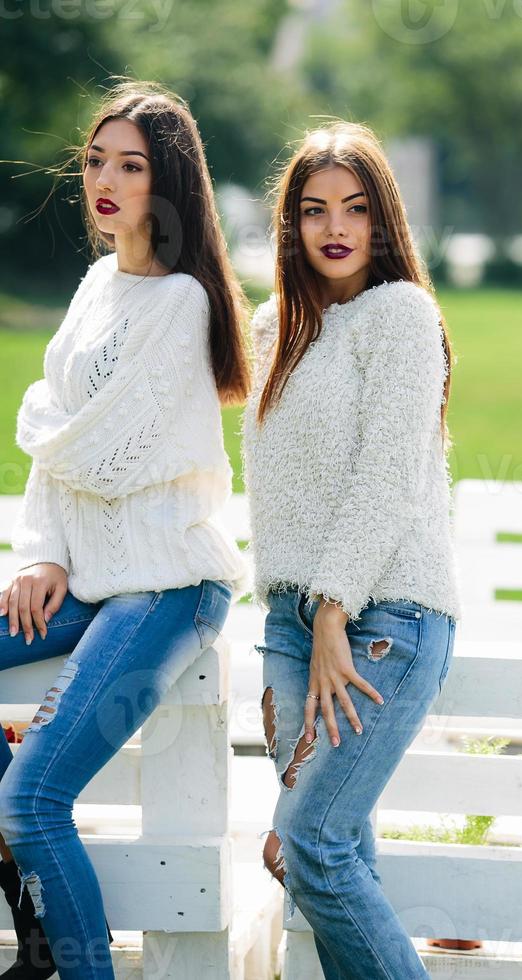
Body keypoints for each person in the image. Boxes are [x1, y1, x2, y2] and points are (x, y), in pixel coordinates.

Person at [0, 80, 251, 980]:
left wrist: (47, 423)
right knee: (14, 803)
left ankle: (64, 961)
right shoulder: (98, 283)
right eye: (96, 160)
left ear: (169, 184)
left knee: (34, 800)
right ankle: (30, 921)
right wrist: (41, 553)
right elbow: (61, 448)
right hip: (91, 572)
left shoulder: (181, 302)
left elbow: (95, 454)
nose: (104, 179)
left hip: (168, 585)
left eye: (132, 165)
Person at [241, 120, 463, 980]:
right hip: (292, 622)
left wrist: (336, 605)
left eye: (357, 208)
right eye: (313, 210)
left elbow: (391, 475)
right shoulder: (275, 329)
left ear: (384, 221)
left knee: (311, 846)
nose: (335, 227)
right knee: (339, 856)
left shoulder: (403, 315)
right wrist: (300, 610)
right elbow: (279, 488)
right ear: (290, 225)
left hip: (385, 616)